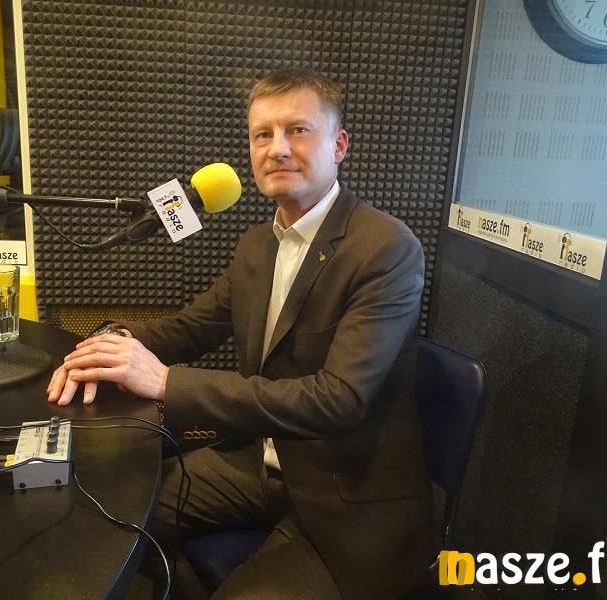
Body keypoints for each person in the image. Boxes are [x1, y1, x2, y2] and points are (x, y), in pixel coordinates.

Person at [47, 69, 434, 599]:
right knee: (105, 513)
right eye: (262, 135)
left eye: (298, 130)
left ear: (340, 145)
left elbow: (338, 400)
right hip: (260, 466)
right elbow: (192, 327)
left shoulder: (385, 248)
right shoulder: (257, 245)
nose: (277, 149)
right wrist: (109, 342)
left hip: (348, 496)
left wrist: (167, 382)